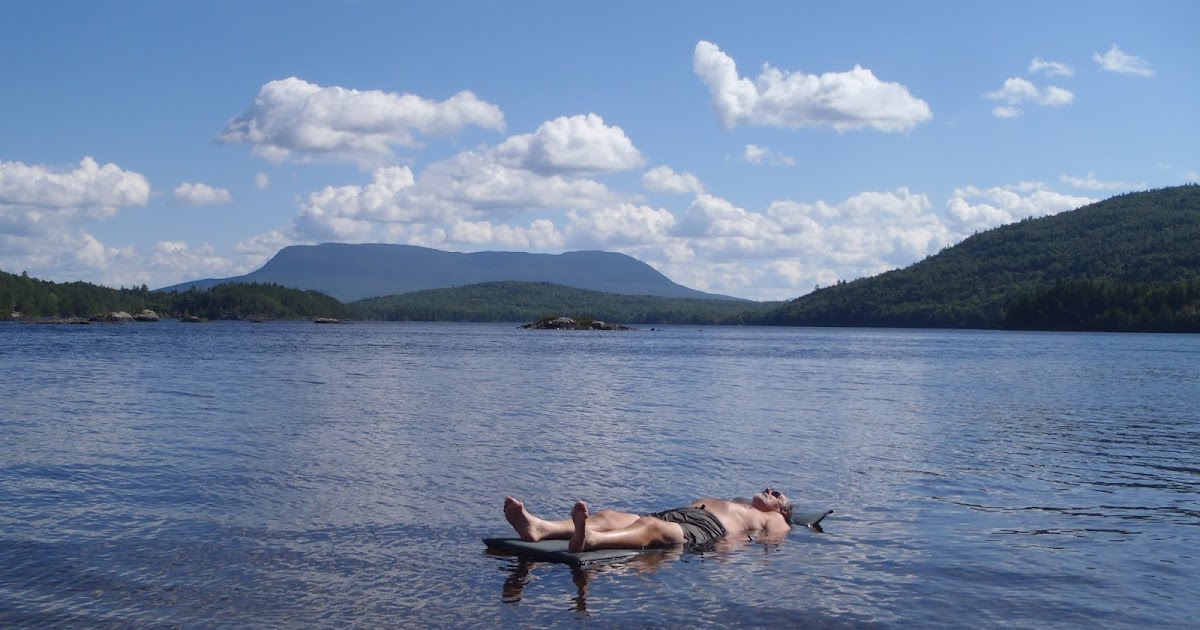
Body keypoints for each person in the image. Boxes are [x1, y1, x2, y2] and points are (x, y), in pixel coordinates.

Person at [503, 488, 794, 552]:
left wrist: (732, 546)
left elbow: (769, 540)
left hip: (706, 529)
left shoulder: (775, 518)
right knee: (610, 515)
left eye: (776, 494)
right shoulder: (739, 502)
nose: (769, 490)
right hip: (678, 514)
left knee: (650, 528)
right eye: (768, 488)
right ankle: (540, 527)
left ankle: (591, 540)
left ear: (782, 509)